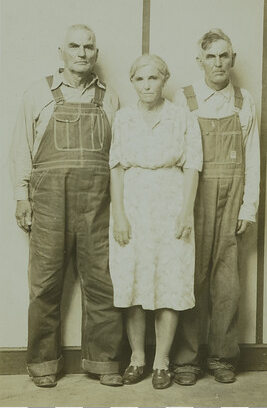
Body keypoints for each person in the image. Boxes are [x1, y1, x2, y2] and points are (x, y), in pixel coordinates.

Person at [9, 24, 124, 388]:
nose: (81, 52)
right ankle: (43, 364)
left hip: (96, 201)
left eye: (88, 47)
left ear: (96, 54)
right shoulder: (37, 93)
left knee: (102, 282)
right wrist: (21, 196)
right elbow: (20, 149)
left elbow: (118, 157)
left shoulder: (110, 98)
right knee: (44, 283)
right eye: (74, 46)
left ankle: (103, 361)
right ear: (61, 51)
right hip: (48, 203)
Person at [171, 28, 260, 385]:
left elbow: (252, 157)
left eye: (225, 56)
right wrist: (180, 209)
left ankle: (223, 356)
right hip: (194, 200)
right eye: (211, 56)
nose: (219, 62)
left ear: (233, 60)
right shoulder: (185, 99)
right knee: (191, 276)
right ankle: (186, 360)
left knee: (227, 282)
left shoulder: (244, 101)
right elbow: (177, 157)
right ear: (200, 61)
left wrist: (248, 207)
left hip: (232, 200)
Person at [109, 54, 203, 389]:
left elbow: (193, 164)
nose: (146, 85)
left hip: (171, 203)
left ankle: (162, 361)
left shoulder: (181, 117)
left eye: (153, 78)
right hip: (133, 205)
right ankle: (137, 358)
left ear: (165, 79)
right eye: (139, 79)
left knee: (169, 284)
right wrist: (119, 213)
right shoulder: (122, 118)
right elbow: (116, 168)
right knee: (134, 283)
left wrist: (186, 210)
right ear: (132, 82)